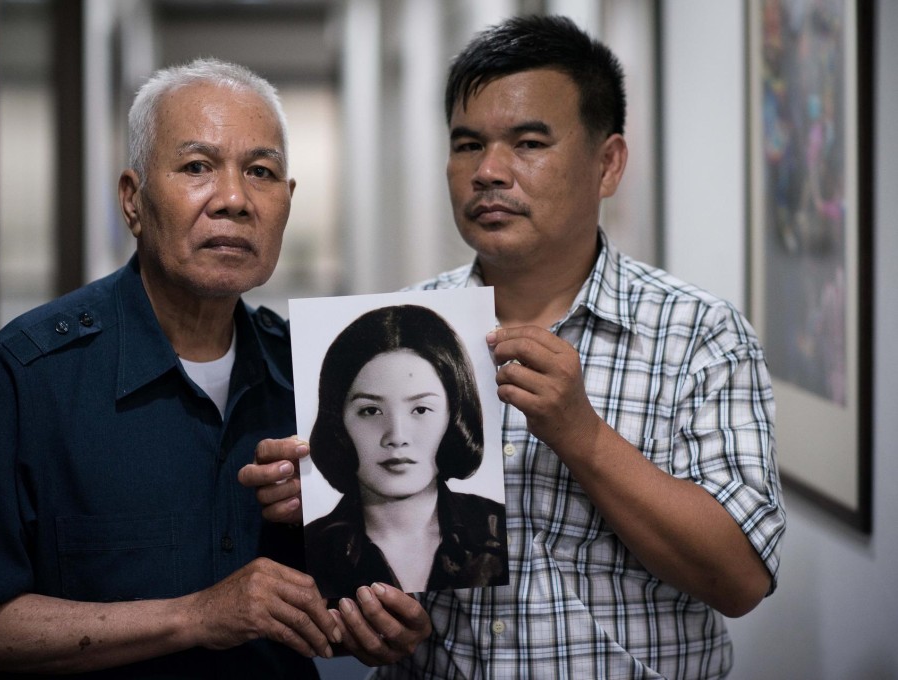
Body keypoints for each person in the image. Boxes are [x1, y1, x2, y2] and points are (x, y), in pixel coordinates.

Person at [241, 14, 785, 679]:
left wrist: (580, 434)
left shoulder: (699, 333)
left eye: (528, 142)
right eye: (467, 145)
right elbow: (360, 588)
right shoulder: (402, 328)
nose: (489, 171)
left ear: (607, 163)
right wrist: (328, 515)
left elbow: (741, 582)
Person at [0, 57, 427, 678]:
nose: (235, 200)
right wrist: (199, 616)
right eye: (197, 167)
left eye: (261, 173)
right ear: (133, 200)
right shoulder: (29, 374)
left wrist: (374, 624)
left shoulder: (320, 378)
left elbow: (333, 610)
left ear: (287, 204)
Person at [303, 305, 508, 599]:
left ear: (455, 416)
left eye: (421, 409)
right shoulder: (311, 551)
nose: (396, 436)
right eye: (370, 410)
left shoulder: (498, 532)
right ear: (338, 421)